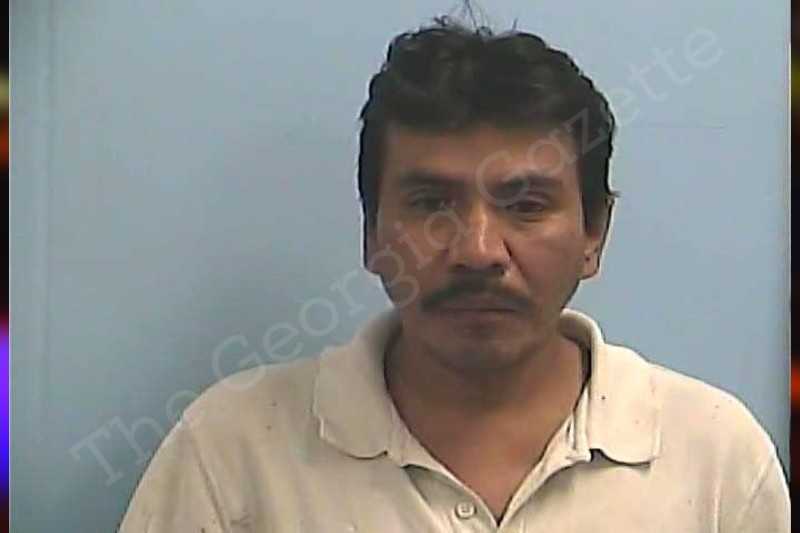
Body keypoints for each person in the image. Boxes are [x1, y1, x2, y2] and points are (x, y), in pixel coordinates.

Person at [119, 16, 790, 532]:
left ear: (594, 235)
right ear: (372, 234)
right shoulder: (232, 451)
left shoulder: (715, 457)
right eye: (431, 204)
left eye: (526, 205)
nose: (477, 251)